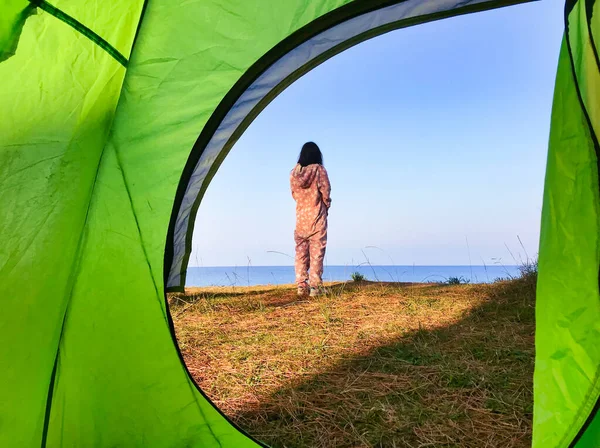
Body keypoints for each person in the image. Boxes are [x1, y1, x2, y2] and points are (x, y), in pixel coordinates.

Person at [290, 142, 332, 297]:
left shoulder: (294, 173)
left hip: (301, 219)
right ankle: (315, 287)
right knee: (316, 253)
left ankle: (301, 286)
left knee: (300, 253)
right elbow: (326, 191)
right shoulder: (319, 170)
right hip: (317, 217)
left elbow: (294, 194)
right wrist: (326, 206)